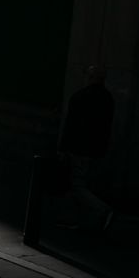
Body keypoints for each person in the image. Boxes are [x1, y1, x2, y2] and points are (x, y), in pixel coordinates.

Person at [59, 65, 115, 231]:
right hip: (96, 149)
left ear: (89, 78)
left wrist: (63, 148)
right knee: (83, 184)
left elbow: (71, 125)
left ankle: (102, 210)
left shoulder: (80, 97)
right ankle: (75, 219)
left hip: (79, 148)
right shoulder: (107, 98)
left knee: (77, 185)